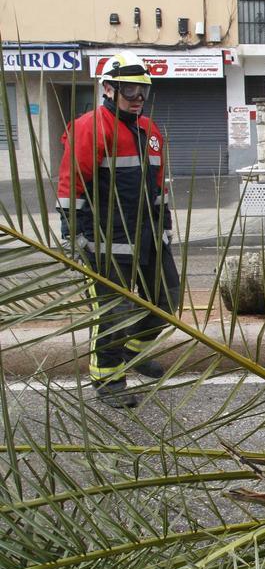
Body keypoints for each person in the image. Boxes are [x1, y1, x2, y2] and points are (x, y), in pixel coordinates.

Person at [56, 52, 180, 409]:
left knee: (168, 299)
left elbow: (159, 188)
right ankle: (108, 379)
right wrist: (73, 236)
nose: (138, 96)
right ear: (108, 89)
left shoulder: (149, 131)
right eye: (130, 88)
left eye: (143, 89)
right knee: (113, 311)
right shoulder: (89, 127)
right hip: (105, 240)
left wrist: (165, 228)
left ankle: (133, 352)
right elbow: (71, 186)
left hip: (149, 236)